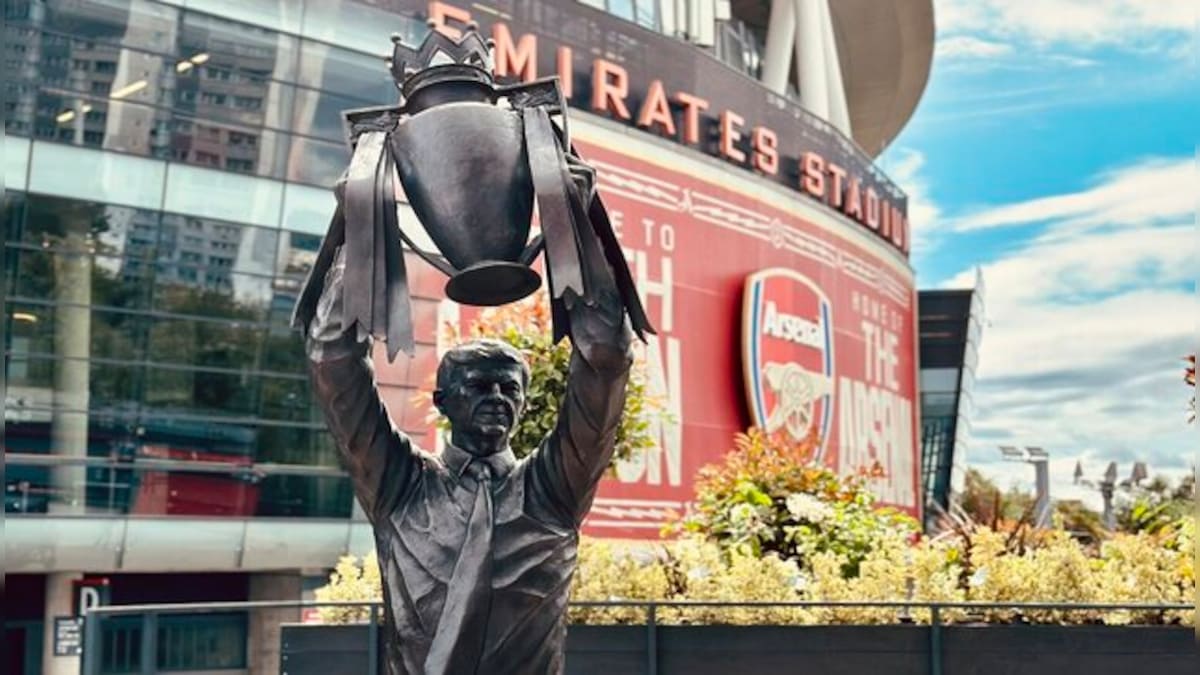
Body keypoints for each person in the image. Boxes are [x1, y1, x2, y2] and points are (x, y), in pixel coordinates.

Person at [306, 237, 632, 674]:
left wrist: (574, 224)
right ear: (442, 401)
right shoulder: (399, 485)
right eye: (479, 385)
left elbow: (605, 362)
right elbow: (333, 359)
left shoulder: (553, 490)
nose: (497, 397)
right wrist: (362, 229)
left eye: (510, 388)